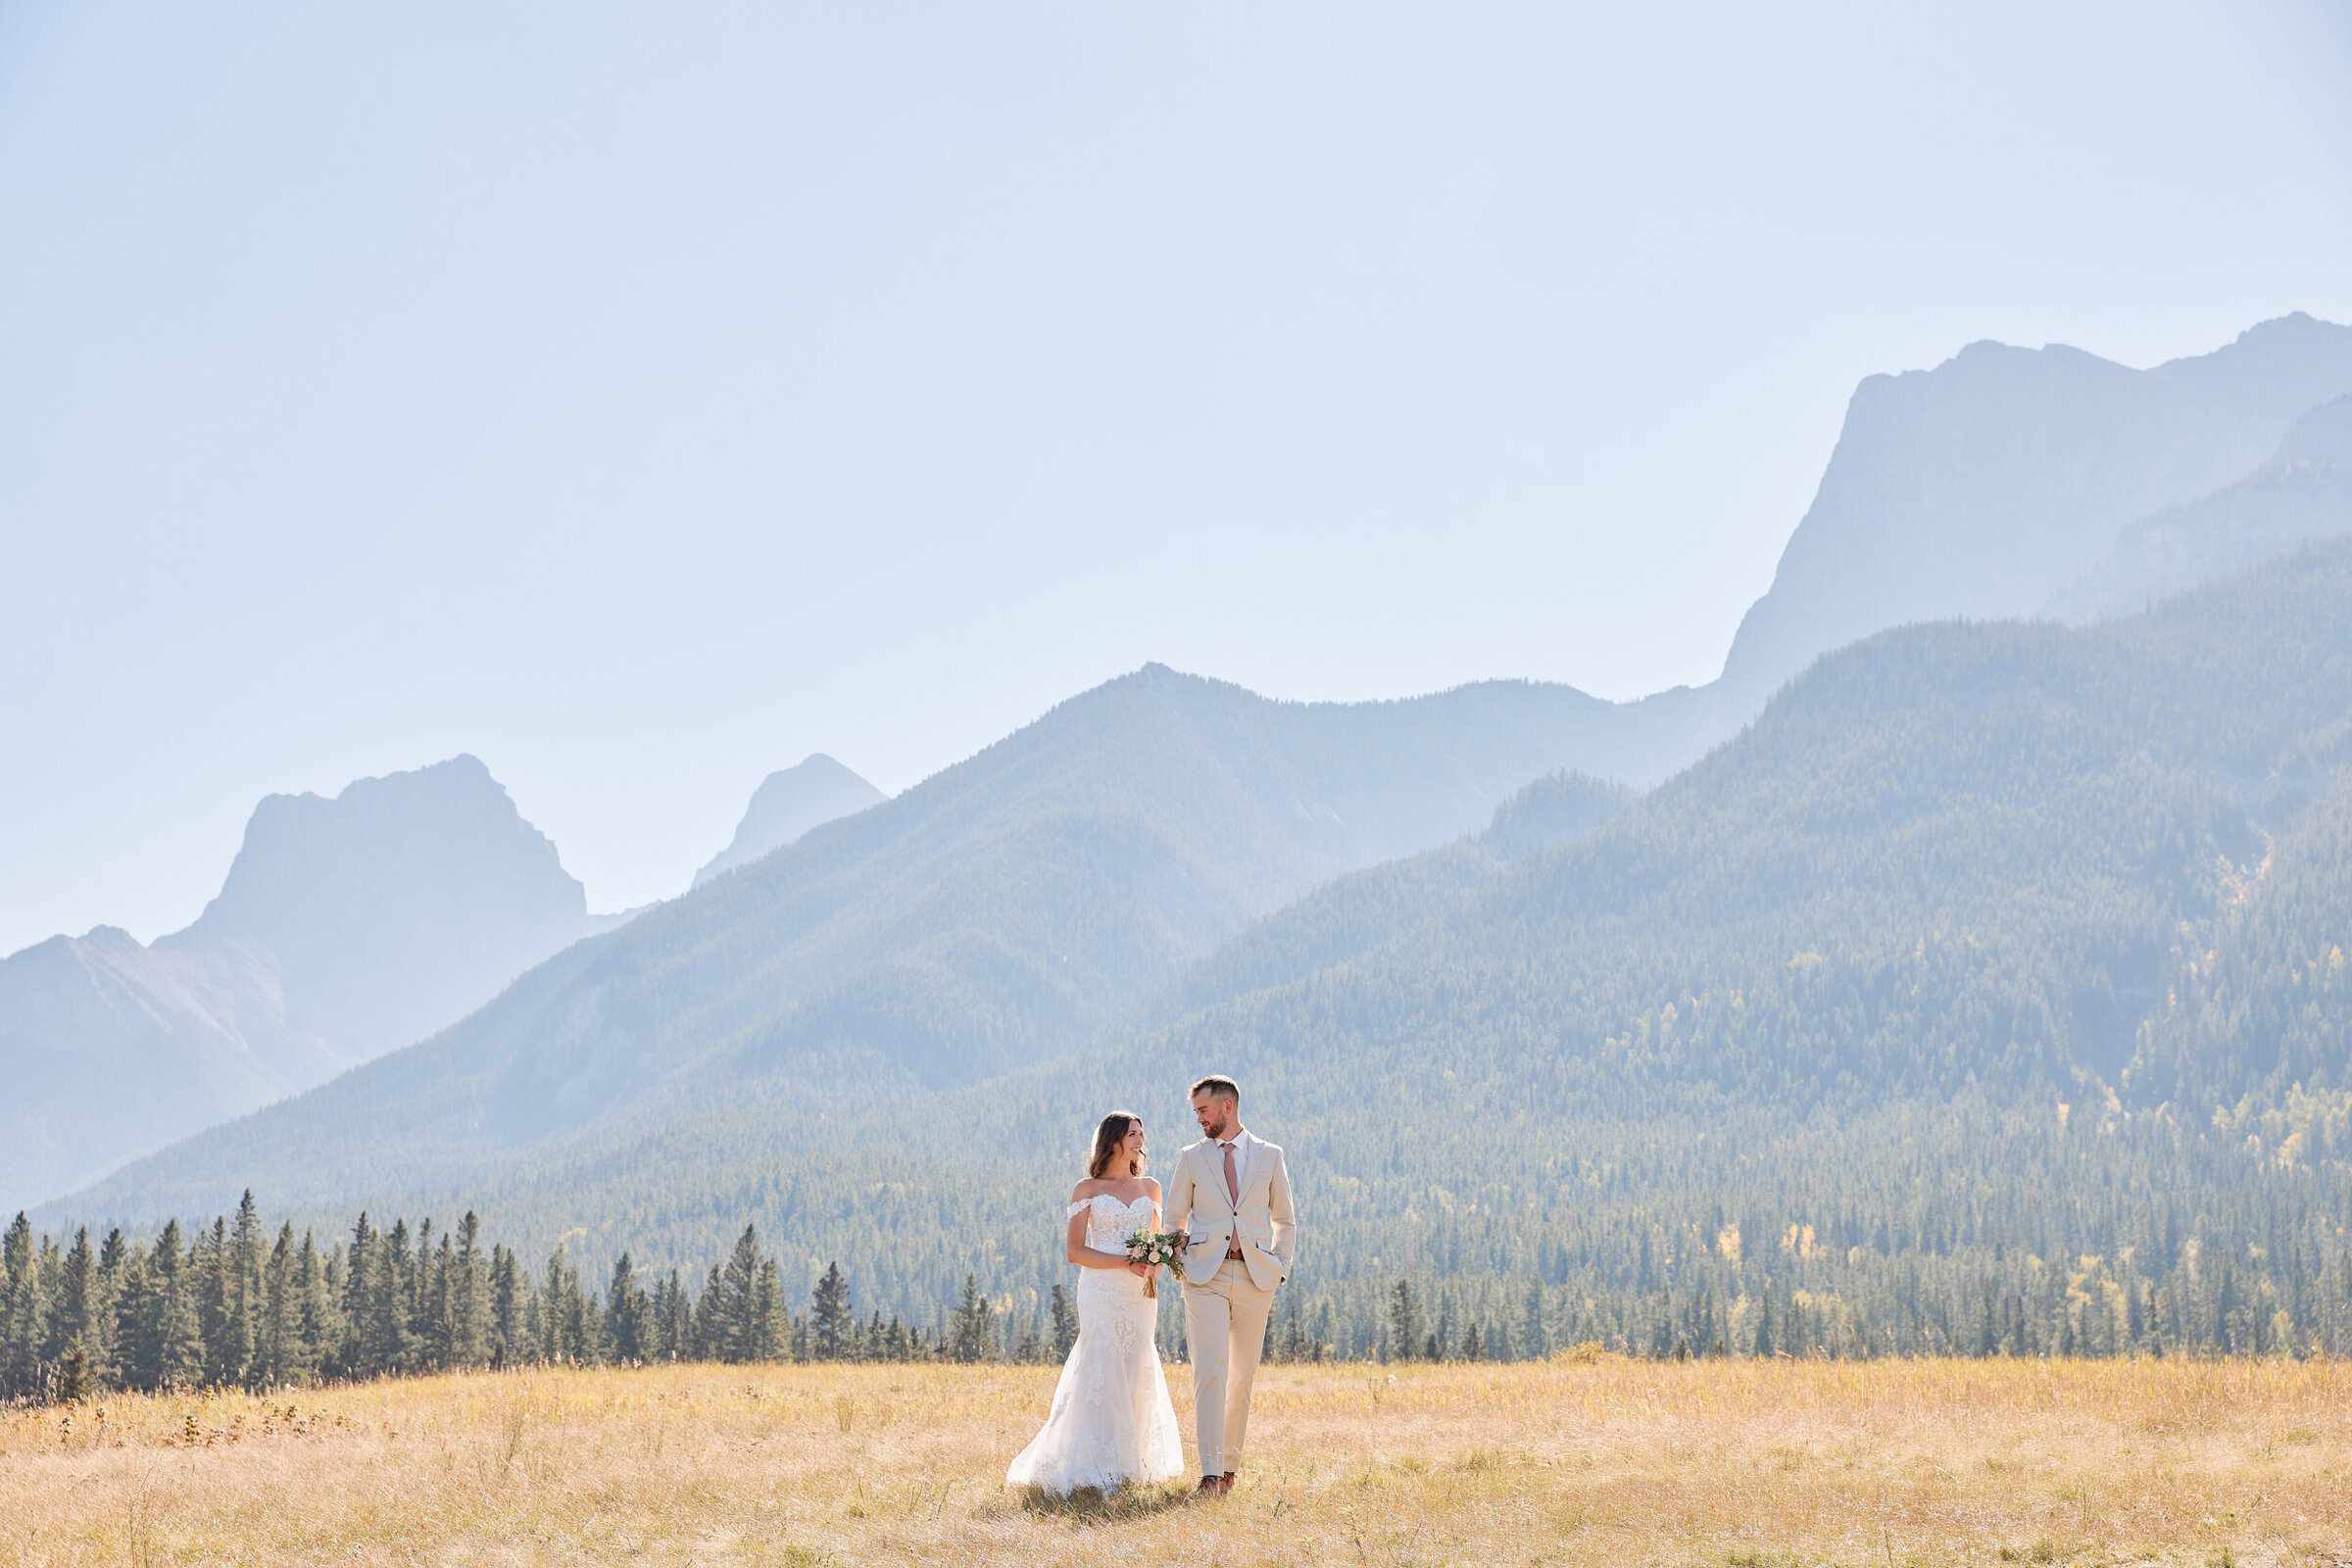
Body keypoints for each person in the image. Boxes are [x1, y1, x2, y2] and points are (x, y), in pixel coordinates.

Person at [1004, 1111, 1185, 1494]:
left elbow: (1152, 1242)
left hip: (1138, 1296)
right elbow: (1074, 1251)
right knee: (1101, 1363)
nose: (1140, 1140)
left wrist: (1153, 1264)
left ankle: (1131, 1463)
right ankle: (1093, 1462)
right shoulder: (1086, 1188)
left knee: (1136, 1362)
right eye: (1133, 1134)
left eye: (1141, 1134)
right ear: (1114, 1140)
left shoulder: (1151, 1188)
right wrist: (1125, 1262)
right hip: (1100, 1290)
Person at [1162, 1074, 1297, 1495]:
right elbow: (1172, 1219)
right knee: (1210, 1372)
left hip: (1257, 1277)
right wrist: (1181, 1263)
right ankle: (1209, 1471)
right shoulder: (1191, 1157)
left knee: (1242, 1376)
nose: (1199, 1119)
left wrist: (1279, 1267)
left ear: (1227, 1107)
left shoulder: (1270, 1155)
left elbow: (1285, 1221)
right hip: (1206, 1278)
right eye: (1196, 1112)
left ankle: (1230, 1471)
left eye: (1203, 1110)